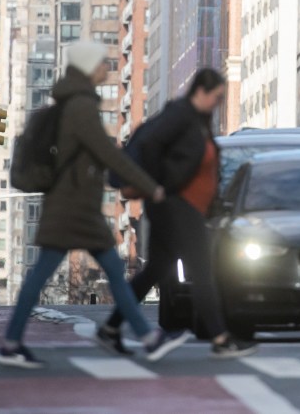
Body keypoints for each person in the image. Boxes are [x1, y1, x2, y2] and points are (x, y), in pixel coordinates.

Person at [0, 41, 187, 368]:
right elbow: (109, 154)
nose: (107, 69)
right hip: (73, 207)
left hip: (73, 204)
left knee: (106, 269)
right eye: (102, 64)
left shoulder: (74, 103)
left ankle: (13, 342)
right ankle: (147, 338)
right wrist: (150, 187)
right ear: (88, 68)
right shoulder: (81, 107)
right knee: (47, 275)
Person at [101, 68, 256, 359]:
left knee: (156, 270)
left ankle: (110, 327)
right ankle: (221, 338)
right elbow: (148, 143)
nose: (218, 103)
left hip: (182, 206)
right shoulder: (180, 115)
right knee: (202, 270)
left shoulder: (197, 120)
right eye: (217, 97)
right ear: (201, 91)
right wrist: (156, 185)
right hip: (176, 205)